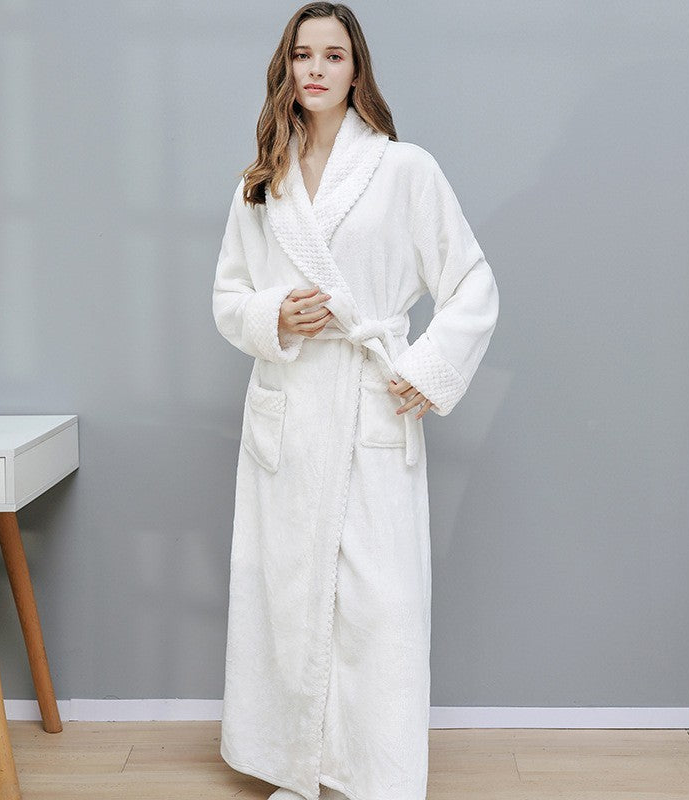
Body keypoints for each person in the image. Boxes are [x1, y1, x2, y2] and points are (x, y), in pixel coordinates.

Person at [211, 3, 499, 799]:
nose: (315, 68)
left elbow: (471, 282)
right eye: (302, 54)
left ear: (356, 69)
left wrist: (429, 366)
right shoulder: (260, 182)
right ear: (286, 66)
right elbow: (227, 297)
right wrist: (274, 314)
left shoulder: (406, 169)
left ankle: (373, 773)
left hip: (371, 398)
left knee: (379, 603)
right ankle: (296, 767)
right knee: (287, 592)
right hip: (289, 406)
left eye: (333, 55)